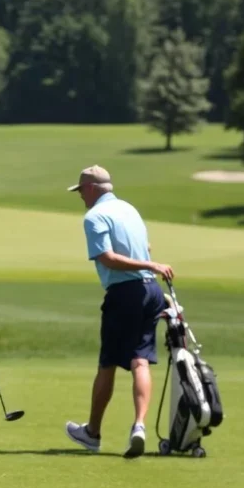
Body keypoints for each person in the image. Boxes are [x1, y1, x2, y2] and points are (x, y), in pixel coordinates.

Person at [63, 165, 174, 459]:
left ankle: (92, 433)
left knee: (108, 363)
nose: (80, 197)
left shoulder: (95, 216)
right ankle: (139, 426)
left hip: (125, 293)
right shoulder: (129, 209)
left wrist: (149, 266)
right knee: (140, 361)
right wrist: (149, 270)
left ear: (90, 189)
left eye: (81, 191)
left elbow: (108, 259)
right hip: (150, 292)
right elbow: (145, 246)